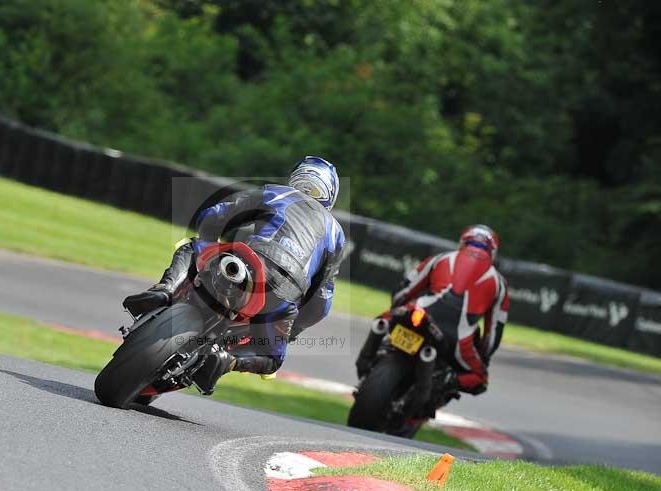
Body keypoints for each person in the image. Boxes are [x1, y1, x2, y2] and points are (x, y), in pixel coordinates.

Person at [123, 156, 345, 392]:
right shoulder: (335, 233)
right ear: (330, 195)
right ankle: (227, 361)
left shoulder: (276, 193)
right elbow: (321, 301)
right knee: (271, 359)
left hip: (247, 258)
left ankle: (164, 290)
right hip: (286, 291)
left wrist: (209, 238)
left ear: (295, 178)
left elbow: (215, 214)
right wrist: (295, 329)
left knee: (192, 246)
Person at [355, 224, 509, 397]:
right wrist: (484, 357)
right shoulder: (500, 284)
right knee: (480, 378)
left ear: (462, 242)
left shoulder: (440, 258)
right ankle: (443, 383)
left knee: (382, 320)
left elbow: (403, 292)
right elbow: (493, 333)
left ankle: (367, 358)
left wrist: (395, 309)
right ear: (493, 252)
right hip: (457, 338)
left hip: (419, 314)